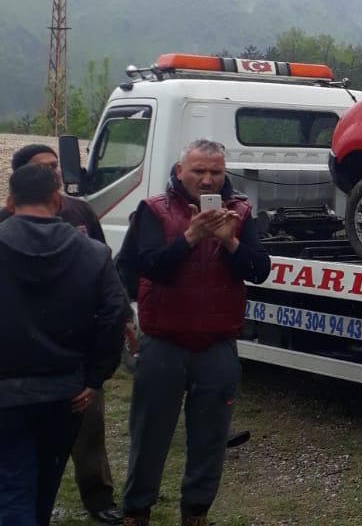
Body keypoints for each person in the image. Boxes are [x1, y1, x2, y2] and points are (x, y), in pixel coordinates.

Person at [118, 139, 271, 526]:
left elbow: (259, 269)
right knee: (150, 436)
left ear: (225, 174)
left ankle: (196, 512)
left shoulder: (239, 211)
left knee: (210, 439)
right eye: (199, 171)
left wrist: (230, 242)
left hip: (217, 344)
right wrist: (190, 238)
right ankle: (137, 511)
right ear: (179, 171)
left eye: (215, 172)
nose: (207, 180)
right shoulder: (153, 210)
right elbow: (148, 267)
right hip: (163, 342)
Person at [0, 143, 125, 525]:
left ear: (9, 199)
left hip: (5, 392)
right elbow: (114, 313)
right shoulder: (92, 253)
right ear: (57, 199)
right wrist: (95, 376)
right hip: (67, 391)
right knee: (45, 480)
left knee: (12, 482)